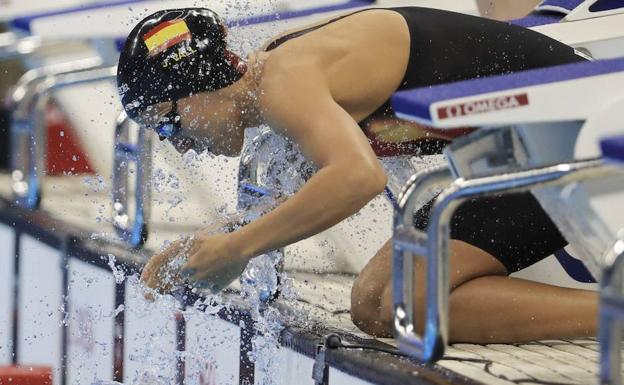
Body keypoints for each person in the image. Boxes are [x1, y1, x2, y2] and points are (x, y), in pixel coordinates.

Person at [118, 6, 597, 343]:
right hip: (519, 152)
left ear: (198, 85)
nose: (174, 141)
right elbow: (284, 206)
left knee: (411, 306)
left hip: (581, 141)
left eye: (166, 120)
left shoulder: (286, 82)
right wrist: (211, 246)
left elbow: (356, 177)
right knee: (372, 306)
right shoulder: (273, 85)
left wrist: (238, 248)